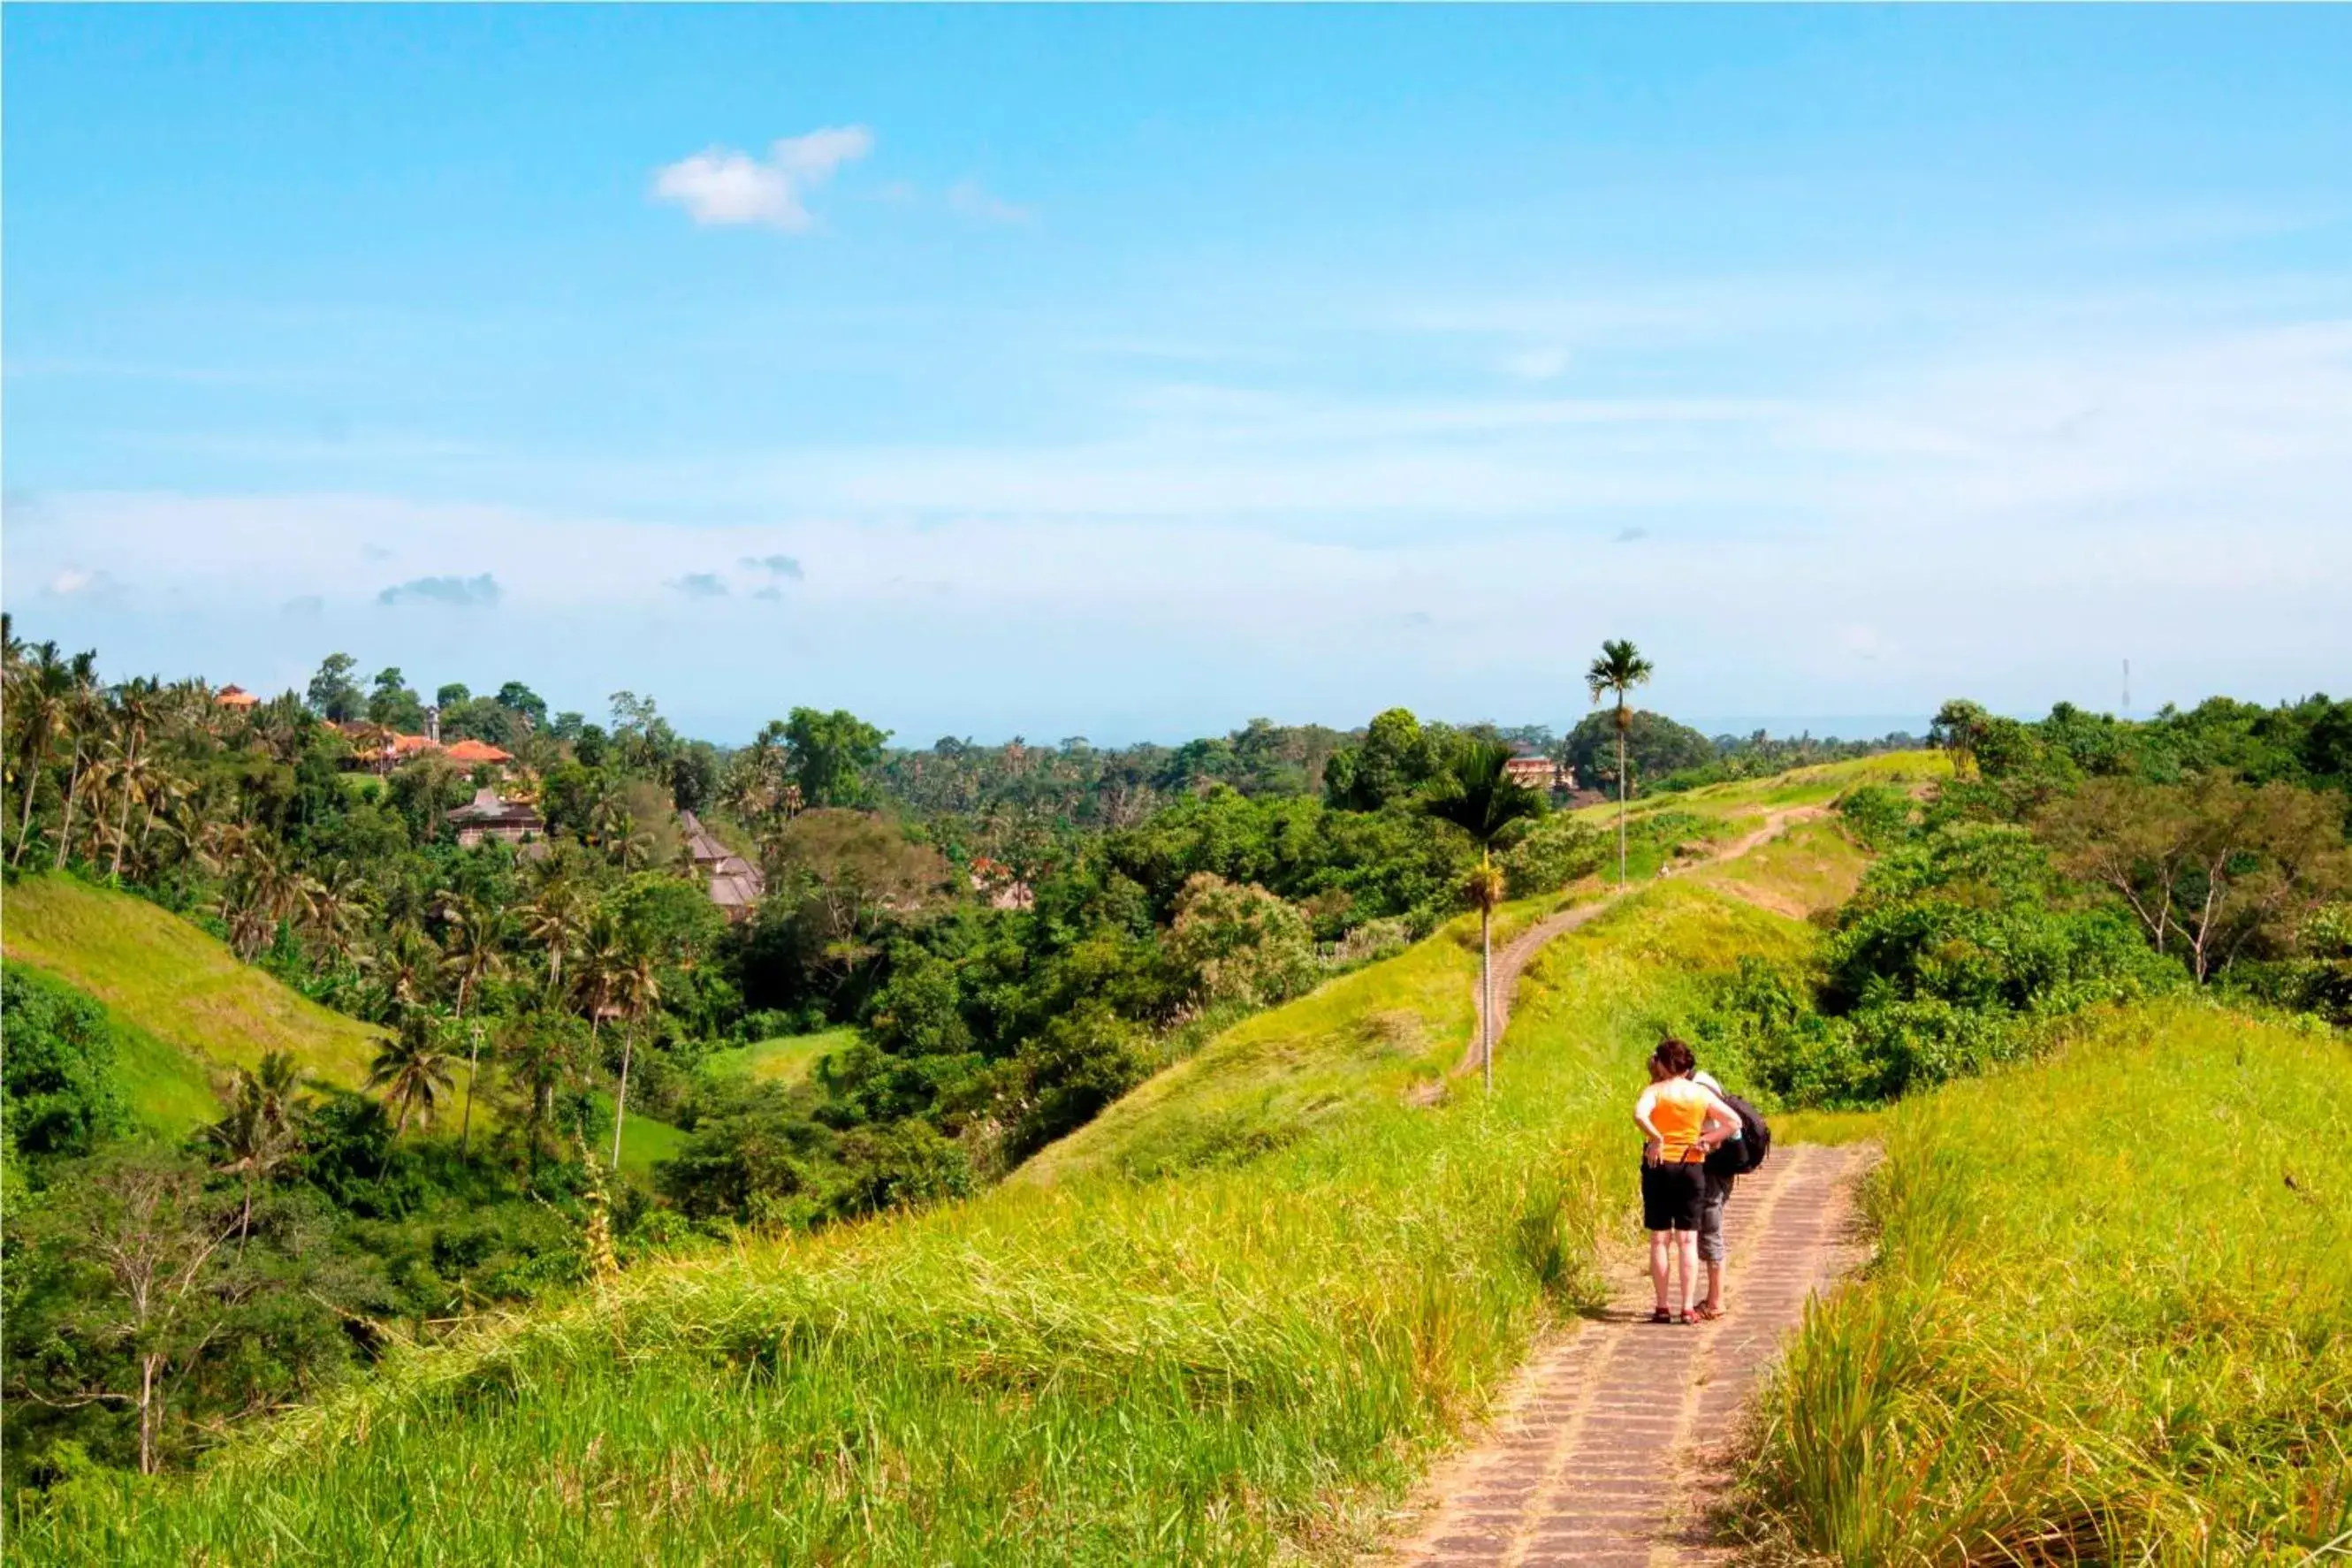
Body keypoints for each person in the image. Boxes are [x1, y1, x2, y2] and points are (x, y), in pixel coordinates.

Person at [1632, 1038, 1740, 1325]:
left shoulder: (1655, 1090)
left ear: (1665, 1064)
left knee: (1659, 1239)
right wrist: (1706, 1141)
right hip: (1691, 1166)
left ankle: (1662, 1306)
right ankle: (1688, 1308)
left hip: (1658, 1165)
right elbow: (1733, 1122)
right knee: (1688, 1239)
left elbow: (1639, 1115)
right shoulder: (1699, 1093)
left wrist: (1657, 1137)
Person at [1689, 1063, 1738, 1321]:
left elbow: (1727, 1126)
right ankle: (1713, 1297)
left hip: (1714, 1169)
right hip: (1718, 1168)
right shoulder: (1702, 1080)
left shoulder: (1698, 1088)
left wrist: (1702, 1141)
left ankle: (1716, 1301)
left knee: (1710, 1231)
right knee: (1708, 1229)